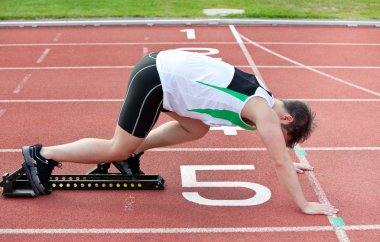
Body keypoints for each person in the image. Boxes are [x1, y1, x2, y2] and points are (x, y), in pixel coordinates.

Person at [21, 49, 338, 215]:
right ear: (285, 121)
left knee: (196, 128)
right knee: (117, 147)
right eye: (284, 140)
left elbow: (278, 154)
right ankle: (42, 155)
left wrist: (284, 154)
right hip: (157, 79)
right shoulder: (264, 111)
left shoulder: (264, 97)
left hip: (164, 73)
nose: (277, 143)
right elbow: (278, 161)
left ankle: (135, 151)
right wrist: (304, 203)